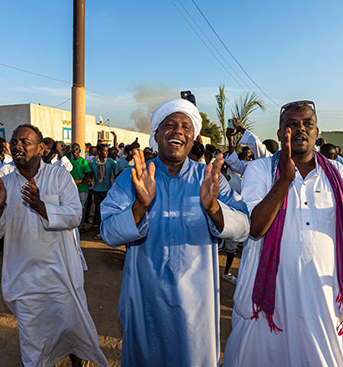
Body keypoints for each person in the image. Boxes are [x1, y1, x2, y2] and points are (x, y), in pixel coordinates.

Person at [224, 100, 343, 367]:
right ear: (280, 135)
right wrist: (284, 181)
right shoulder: (260, 170)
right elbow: (256, 228)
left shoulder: (337, 172)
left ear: (317, 133)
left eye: (307, 124)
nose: (300, 129)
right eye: (291, 124)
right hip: (269, 295)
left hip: (322, 299)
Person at [100, 99, 250, 366]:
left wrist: (214, 207)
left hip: (197, 303)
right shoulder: (132, 178)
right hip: (145, 297)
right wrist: (140, 205)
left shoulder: (210, 179)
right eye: (169, 125)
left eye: (185, 126)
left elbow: (243, 228)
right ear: (156, 134)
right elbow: (109, 233)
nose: (178, 130)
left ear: (193, 138)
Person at [0, 124, 107, 367]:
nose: (17, 146)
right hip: (24, 278)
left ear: (41, 148)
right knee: (32, 339)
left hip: (60, 274)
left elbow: (74, 216)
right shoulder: (5, 183)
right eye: (14, 141)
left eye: (25, 141)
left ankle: (76, 359)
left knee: (71, 326)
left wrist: (40, 206)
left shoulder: (59, 176)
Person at [89, 143, 116, 233]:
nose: (106, 153)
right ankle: (99, 228)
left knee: (107, 210)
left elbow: (116, 173)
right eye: (104, 151)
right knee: (98, 209)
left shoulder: (110, 162)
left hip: (107, 189)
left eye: (107, 151)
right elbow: (89, 174)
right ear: (99, 152)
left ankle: (106, 229)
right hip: (96, 189)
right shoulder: (92, 162)